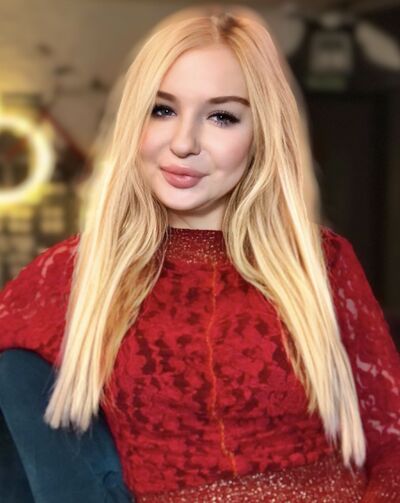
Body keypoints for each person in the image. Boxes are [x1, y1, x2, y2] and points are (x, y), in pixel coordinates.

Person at [0, 4, 399, 502]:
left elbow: (391, 444)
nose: (184, 142)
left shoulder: (321, 263)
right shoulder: (75, 272)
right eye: (162, 109)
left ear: (262, 134)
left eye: (222, 116)